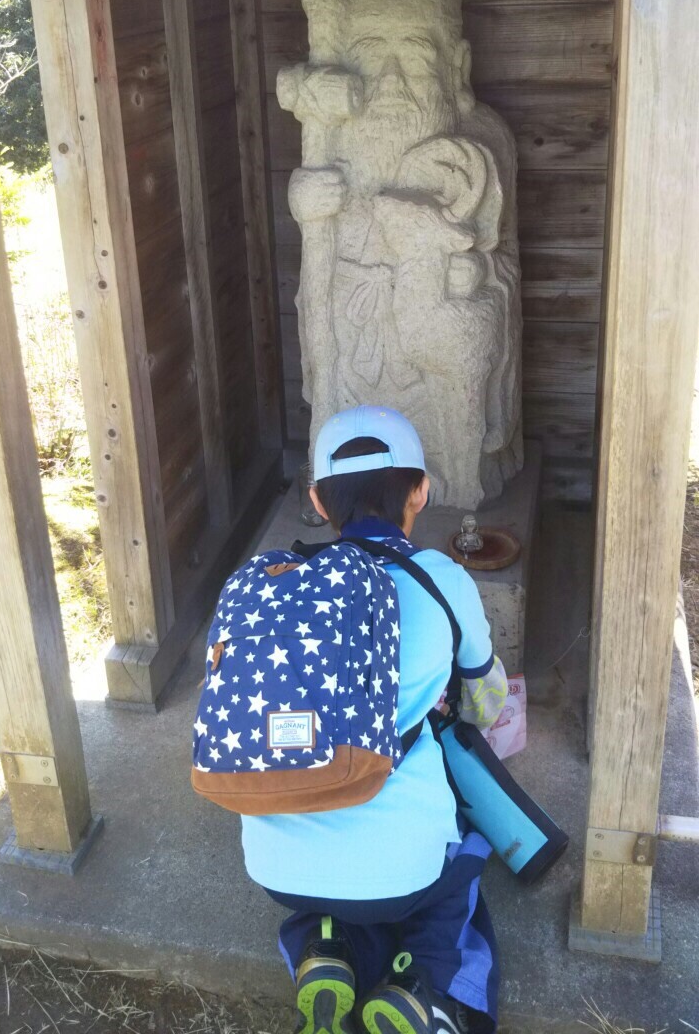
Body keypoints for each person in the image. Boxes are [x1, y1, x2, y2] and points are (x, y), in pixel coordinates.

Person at [240, 405, 508, 1034]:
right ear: (421, 491)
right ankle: (426, 988)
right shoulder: (443, 580)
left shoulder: (279, 581)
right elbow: (485, 703)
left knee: (333, 897)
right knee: (460, 868)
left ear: (316, 501)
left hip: (275, 865)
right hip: (403, 868)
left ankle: (325, 947)